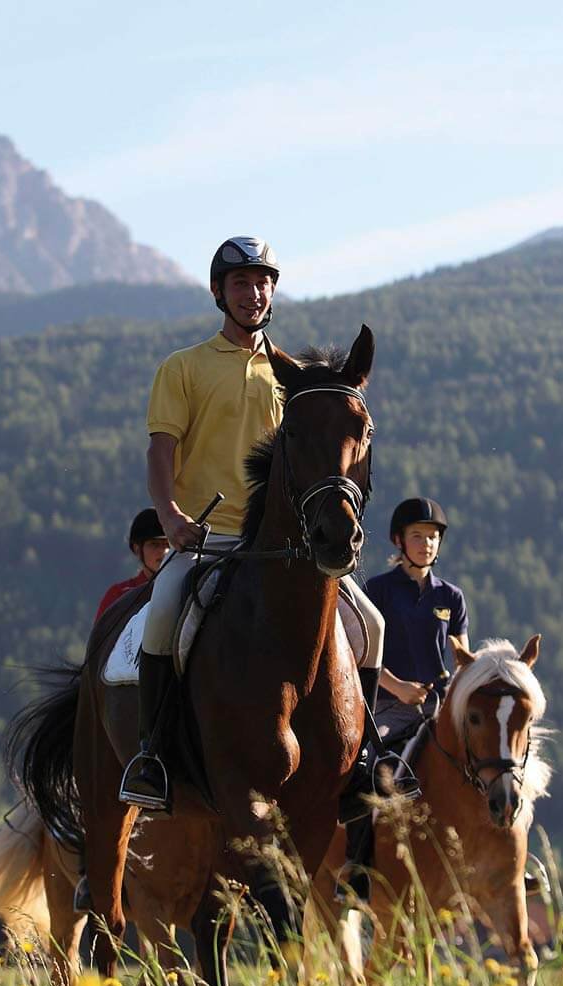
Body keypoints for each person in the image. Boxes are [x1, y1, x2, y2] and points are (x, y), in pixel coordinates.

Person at [116, 236, 388, 817]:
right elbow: (161, 452)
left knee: (373, 622)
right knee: (163, 615)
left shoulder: (294, 376)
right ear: (220, 292)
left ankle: (363, 756)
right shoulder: (183, 367)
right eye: (240, 283)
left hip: (288, 548)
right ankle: (152, 755)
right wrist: (171, 518)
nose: (253, 292)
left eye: (262, 282)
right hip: (207, 540)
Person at [365, 497, 470, 739]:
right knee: (371, 761)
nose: (427, 543)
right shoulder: (378, 590)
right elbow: (363, 655)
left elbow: (463, 662)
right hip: (389, 708)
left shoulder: (451, 596)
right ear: (398, 540)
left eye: (433, 537)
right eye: (417, 536)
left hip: (441, 710)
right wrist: (398, 688)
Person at [95, 509, 170, 622]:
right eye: (154, 544)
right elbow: (100, 638)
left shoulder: (184, 590)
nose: (164, 551)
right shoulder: (118, 596)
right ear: (137, 549)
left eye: (168, 544)